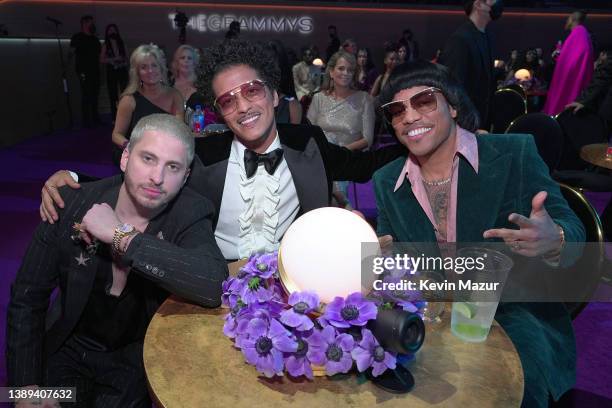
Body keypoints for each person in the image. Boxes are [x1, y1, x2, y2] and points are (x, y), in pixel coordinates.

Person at [39, 39, 404, 262]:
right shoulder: (202, 155)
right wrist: (72, 178)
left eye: (252, 91)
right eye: (228, 101)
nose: (243, 107)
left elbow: (364, 166)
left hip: (296, 282)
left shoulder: (307, 141)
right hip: (214, 285)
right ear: (220, 113)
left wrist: (417, 141)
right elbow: (140, 184)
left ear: (274, 95)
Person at [373, 60, 585, 407]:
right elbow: (392, 258)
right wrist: (376, 258)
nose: (408, 117)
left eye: (424, 101)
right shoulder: (386, 182)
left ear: (453, 106)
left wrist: (554, 239)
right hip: (430, 314)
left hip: (514, 315)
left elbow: (576, 235)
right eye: (397, 110)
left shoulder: (514, 153)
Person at [7, 114, 228, 407]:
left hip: (133, 361)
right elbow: (27, 297)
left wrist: (119, 235)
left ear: (186, 176)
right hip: (67, 351)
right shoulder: (69, 202)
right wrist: (26, 389)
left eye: (172, 167)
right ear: (125, 158)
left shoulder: (191, 213)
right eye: (147, 158)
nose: (157, 178)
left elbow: (213, 285)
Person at [307, 50, 375, 208]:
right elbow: (308, 133)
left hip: (348, 156)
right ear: (331, 71)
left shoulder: (364, 99)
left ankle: (333, 202)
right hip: (321, 155)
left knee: (328, 169)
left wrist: (339, 151)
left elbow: (368, 139)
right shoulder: (319, 99)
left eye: (350, 70)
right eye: (341, 68)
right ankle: (340, 203)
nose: (346, 73)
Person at [111, 44, 184, 164]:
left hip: (165, 151)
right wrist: (132, 147)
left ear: (161, 68)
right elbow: (116, 134)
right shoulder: (129, 99)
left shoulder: (175, 95)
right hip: (135, 154)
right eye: (144, 67)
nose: (150, 71)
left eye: (154, 65)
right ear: (137, 73)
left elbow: (178, 130)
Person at [438, 0, 504, 130]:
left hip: (482, 122)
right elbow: (452, 89)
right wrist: (468, 125)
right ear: (478, 4)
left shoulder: (488, 36)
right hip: (465, 127)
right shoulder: (460, 40)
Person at [542, 11, 594, 116]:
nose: (566, 21)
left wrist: (566, 69)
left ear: (572, 19)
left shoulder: (579, 32)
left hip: (570, 79)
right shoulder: (578, 34)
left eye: (568, 19)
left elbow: (580, 56)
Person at [171, 44, 218, 126]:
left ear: (194, 62)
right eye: (182, 58)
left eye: (189, 58)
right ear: (176, 62)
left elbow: (213, 113)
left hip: (201, 134)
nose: (186, 61)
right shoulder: (169, 84)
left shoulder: (203, 85)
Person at [70, 15, 101, 128]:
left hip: (95, 70)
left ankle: (95, 118)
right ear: (84, 23)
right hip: (83, 70)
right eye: (90, 23)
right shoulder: (77, 37)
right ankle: (86, 121)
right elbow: (71, 52)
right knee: (86, 94)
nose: (92, 25)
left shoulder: (95, 39)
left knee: (95, 94)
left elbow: (99, 55)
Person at [100, 23, 129, 121]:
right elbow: (101, 59)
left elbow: (126, 57)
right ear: (107, 32)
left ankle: (126, 115)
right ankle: (115, 117)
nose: (112, 32)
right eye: (110, 30)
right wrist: (112, 60)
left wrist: (122, 61)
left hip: (122, 69)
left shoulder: (121, 42)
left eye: (114, 30)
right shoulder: (105, 44)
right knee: (113, 94)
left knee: (125, 93)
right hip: (112, 70)